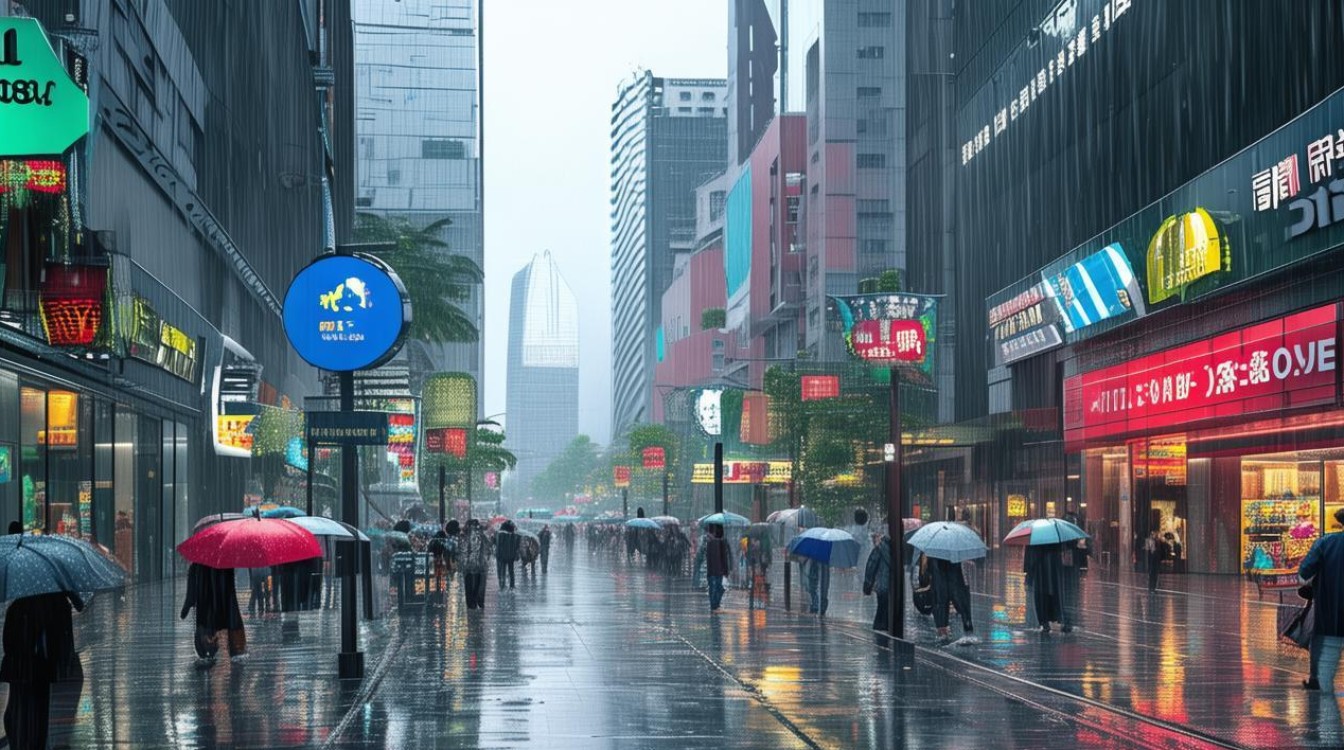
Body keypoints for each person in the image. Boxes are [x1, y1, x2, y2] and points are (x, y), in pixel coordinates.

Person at [1, 591, 84, 750]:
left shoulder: (19, 606)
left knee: (21, 709)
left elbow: (9, 644)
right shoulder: (56, 604)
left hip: (27, 669)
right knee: (34, 713)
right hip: (37, 669)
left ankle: (23, 741)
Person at [1299, 508, 1344, 691]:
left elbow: (1304, 573)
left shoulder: (1325, 543)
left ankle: (1316, 679)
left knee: (1323, 640)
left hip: (1329, 604)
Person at [181, 563, 247, 663]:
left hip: (206, 604)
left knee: (206, 625)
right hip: (222, 603)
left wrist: (189, 602)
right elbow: (230, 587)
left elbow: (192, 586)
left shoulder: (198, 564)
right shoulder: (226, 564)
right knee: (217, 624)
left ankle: (207, 647)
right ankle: (230, 648)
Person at [1024, 543, 1070, 634]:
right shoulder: (1054, 536)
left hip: (1041, 569)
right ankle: (1056, 620)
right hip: (1051, 568)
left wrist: (1028, 572)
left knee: (1043, 595)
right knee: (1054, 594)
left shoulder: (1034, 537)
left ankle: (1046, 622)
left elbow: (1030, 557)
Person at [928, 557, 975, 643]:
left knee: (942, 605)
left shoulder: (933, 554)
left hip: (943, 583)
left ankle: (944, 633)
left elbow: (929, 570)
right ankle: (967, 632)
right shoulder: (952, 555)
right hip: (948, 582)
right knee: (960, 606)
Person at [458, 519, 492, 610]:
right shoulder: (481, 534)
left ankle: (471, 603)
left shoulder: (463, 535)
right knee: (478, 584)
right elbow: (488, 546)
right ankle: (478, 601)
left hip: (467, 565)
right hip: (479, 564)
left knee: (468, 584)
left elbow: (460, 549)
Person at [863, 534, 893, 631]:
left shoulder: (878, 549)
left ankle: (879, 630)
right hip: (893, 586)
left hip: (882, 586)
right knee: (887, 609)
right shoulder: (896, 549)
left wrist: (867, 587)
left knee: (881, 609)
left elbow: (870, 568)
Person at [705, 524, 732, 612]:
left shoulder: (708, 542)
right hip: (717, 570)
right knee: (718, 588)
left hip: (712, 570)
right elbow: (724, 558)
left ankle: (714, 606)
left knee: (714, 588)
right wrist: (726, 570)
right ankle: (715, 606)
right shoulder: (720, 542)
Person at [495, 520, 521, 590]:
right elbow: (516, 546)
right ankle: (512, 585)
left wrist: (498, 555)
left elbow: (498, 545)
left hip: (502, 556)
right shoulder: (514, 535)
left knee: (502, 571)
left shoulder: (500, 534)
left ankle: (502, 585)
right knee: (511, 572)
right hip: (510, 556)